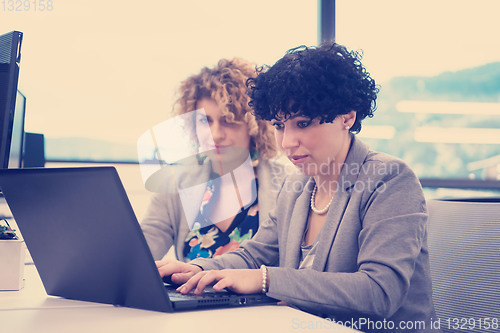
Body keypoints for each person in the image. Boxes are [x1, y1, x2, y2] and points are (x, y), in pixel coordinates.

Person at [156, 43, 438, 332]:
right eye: (280, 126)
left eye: (302, 123)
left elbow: (379, 291)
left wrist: (266, 280)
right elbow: (254, 255)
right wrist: (199, 269)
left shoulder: (389, 179)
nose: (287, 142)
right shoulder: (297, 186)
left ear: (347, 117)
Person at [140, 58, 286, 262]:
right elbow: (141, 250)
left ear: (254, 126)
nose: (215, 134)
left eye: (228, 121)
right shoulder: (175, 183)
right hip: (190, 294)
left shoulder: (287, 185)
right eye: (204, 120)